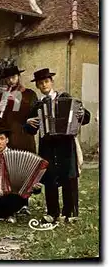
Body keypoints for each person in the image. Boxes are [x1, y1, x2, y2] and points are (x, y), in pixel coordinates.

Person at [25, 68, 90, 223]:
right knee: (50, 178)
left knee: (69, 178)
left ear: (51, 82)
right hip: (47, 146)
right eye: (40, 83)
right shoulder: (38, 105)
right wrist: (28, 123)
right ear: (38, 86)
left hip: (66, 145)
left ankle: (70, 213)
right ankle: (52, 213)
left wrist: (81, 114)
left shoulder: (66, 98)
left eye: (46, 82)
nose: (44, 85)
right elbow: (29, 130)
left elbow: (85, 116)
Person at [0, 128, 40, 223]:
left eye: (2, 139)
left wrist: (34, 186)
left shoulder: (17, 156)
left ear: (7, 140)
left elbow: (29, 178)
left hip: (13, 195)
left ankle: (8, 213)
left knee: (17, 194)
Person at [0, 66, 38, 153]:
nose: (11, 81)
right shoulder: (2, 96)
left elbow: (34, 116)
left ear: (19, 77)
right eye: (8, 78)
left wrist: (16, 101)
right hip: (7, 140)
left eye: (13, 77)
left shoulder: (29, 94)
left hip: (23, 137)